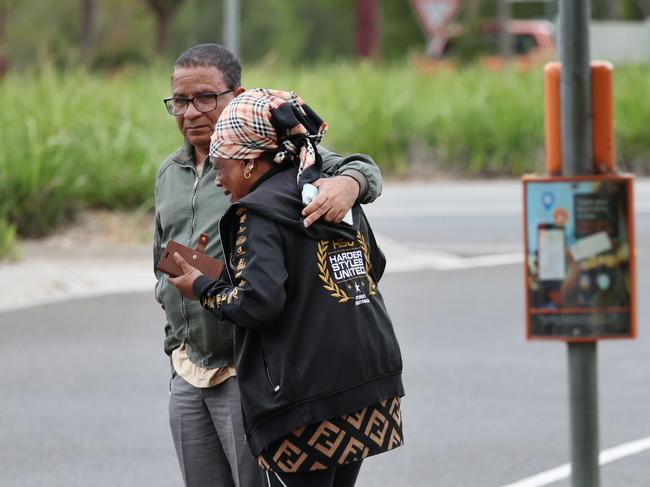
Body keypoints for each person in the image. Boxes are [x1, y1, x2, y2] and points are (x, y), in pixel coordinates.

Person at [154, 44, 384, 487]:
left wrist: (349, 185)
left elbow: (362, 169)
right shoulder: (170, 173)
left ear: (235, 94)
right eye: (180, 101)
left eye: (205, 97)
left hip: (251, 371)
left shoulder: (278, 156)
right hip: (188, 367)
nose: (191, 112)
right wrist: (174, 345)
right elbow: (160, 261)